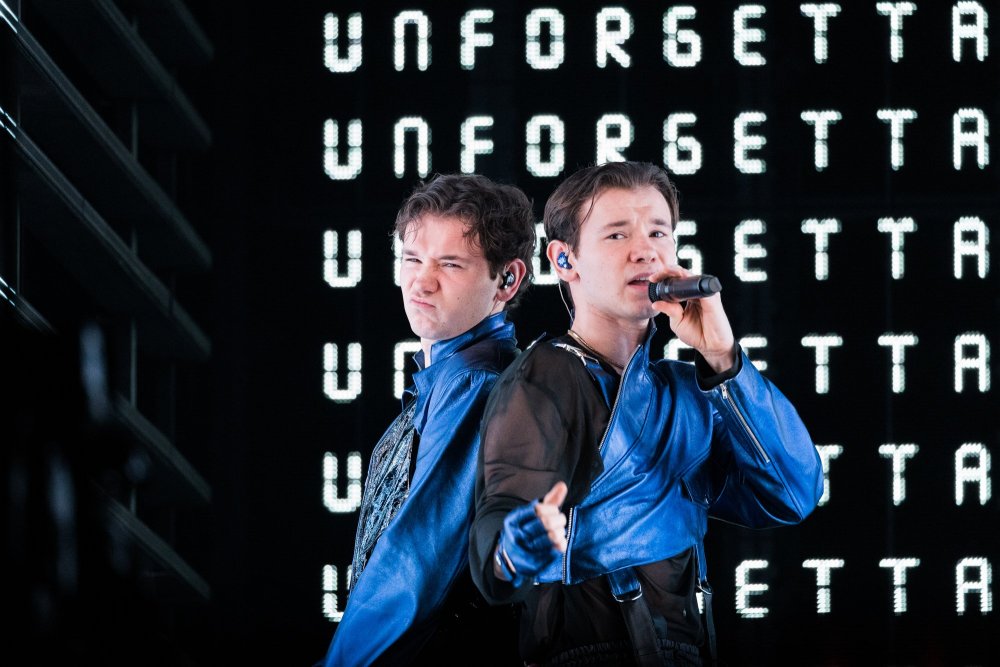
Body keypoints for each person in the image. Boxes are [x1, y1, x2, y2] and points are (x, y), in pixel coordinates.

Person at [469, 161, 824, 666]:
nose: (646, 249)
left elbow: (795, 493)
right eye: (617, 235)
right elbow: (501, 528)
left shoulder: (687, 393)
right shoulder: (546, 375)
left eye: (659, 231)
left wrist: (724, 359)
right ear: (564, 259)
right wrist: (515, 546)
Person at [321, 173, 535, 665]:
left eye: (450, 264)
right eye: (412, 259)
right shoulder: (449, 380)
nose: (421, 280)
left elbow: (415, 563)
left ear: (508, 279)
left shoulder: (475, 385)